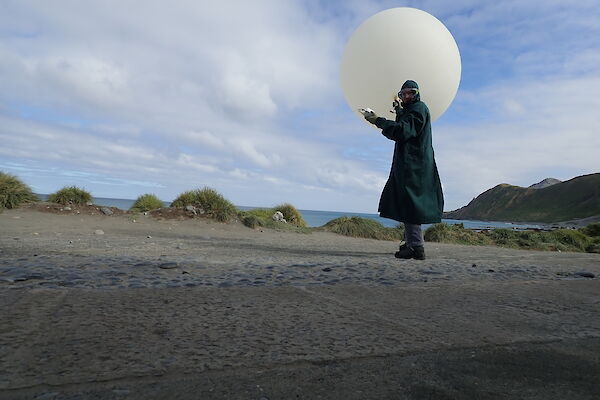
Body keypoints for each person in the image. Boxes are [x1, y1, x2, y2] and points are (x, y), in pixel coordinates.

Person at [364, 80, 443, 260]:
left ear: (417, 93)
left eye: (410, 93)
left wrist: (378, 121)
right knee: (407, 202)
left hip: (415, 165)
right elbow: (407, 124)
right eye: (403, 94)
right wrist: (400, 111)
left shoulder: (420, 108)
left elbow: (403, 131)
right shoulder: (414, 110)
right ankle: (409, 245)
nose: (407, 96)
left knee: (411, 203)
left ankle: (417, 247)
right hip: (411, 163)